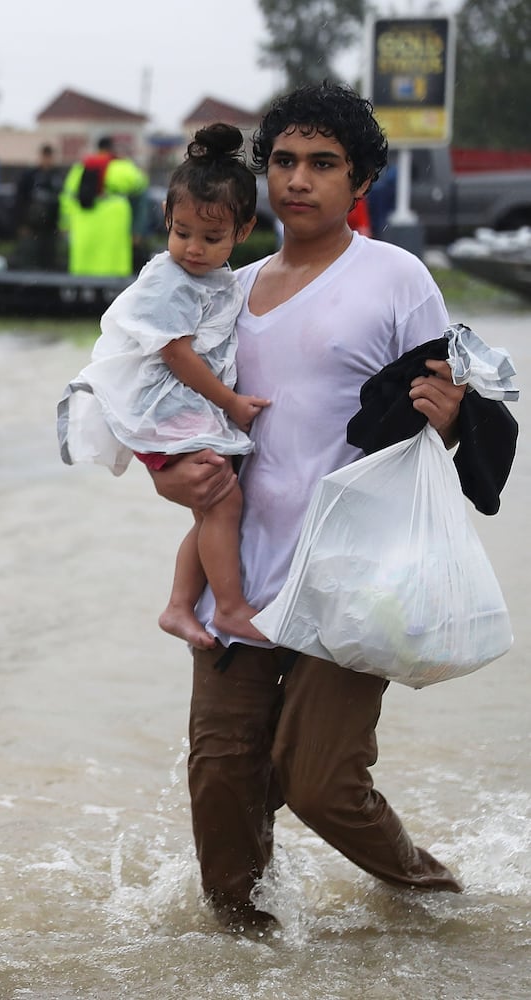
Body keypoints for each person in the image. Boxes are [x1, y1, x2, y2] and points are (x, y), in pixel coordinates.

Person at [147, 82, 466, 932]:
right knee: (220, 782)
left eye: (322, 163)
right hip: (238, 578)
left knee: (319, 781)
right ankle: (247, 960)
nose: (298, 179)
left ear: (357, 178)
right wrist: (165, 476)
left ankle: (434, 898)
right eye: (284, 160)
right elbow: (168, 413)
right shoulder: (224, 288)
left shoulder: (396, 278)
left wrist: (454, 416)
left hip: (352, 580)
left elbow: (451, 400)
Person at [58, 123, 269, 645]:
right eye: (182, 233)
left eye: (211, 237)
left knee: (212, 511)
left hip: (172, 408)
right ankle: (230, 608)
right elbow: (176, 354)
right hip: (163, 408)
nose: (193, 249)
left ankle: (179, 606)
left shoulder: (212, 278)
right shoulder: (171, 279)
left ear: (243, 232)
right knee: (224, 505)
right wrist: (232, 403)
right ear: (166, 221)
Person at [58, 135, 148, 277]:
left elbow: (67, 197)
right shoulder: (122, 166)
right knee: (112, 258)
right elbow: (141, 183)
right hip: (113, 221)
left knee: (85, 259)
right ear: (111, 148)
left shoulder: (80, 167)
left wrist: (65, 224)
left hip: (83, 220)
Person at [11, 143, 63, 270]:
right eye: (45, 156)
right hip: (31, 227)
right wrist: (21, 223)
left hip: (50, 227)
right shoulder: (30, 176)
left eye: (49, 157)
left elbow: (60, 202)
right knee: (29, 258)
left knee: (49, 259)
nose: (47, 160)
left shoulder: (57, 176)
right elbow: (19, 200)